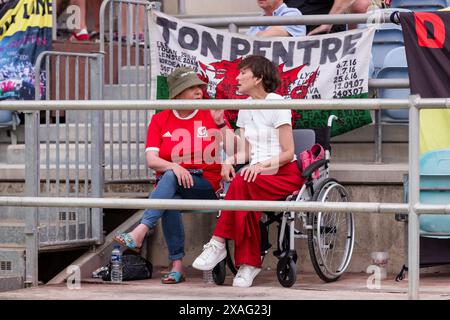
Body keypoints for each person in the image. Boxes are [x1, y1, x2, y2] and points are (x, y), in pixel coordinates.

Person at [192, 55, 304, 288]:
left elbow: (288, 151)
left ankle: (218, 243)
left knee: (242, 181)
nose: (237, 77)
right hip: (255, 176)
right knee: (246, 195)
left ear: (259, 78)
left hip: (283, 172)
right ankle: (248, 264)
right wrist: (229, 158)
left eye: (243, 73)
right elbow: (245, 151)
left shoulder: (277, 103)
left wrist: (260, 166)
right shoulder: (246, 107)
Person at [113, 67, 229, 284]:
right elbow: (152, 161)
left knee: (167, 181)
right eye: (191, 87)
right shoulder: (160, 119)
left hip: (206, 184)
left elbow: (234, 150)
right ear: (177, 93)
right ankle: (177, 266)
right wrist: (175, 167)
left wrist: (221, 124)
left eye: (199, 87)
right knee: (169, 197)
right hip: (173, 184)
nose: (198, 91)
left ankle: (141, 230)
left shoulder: (210, 113)